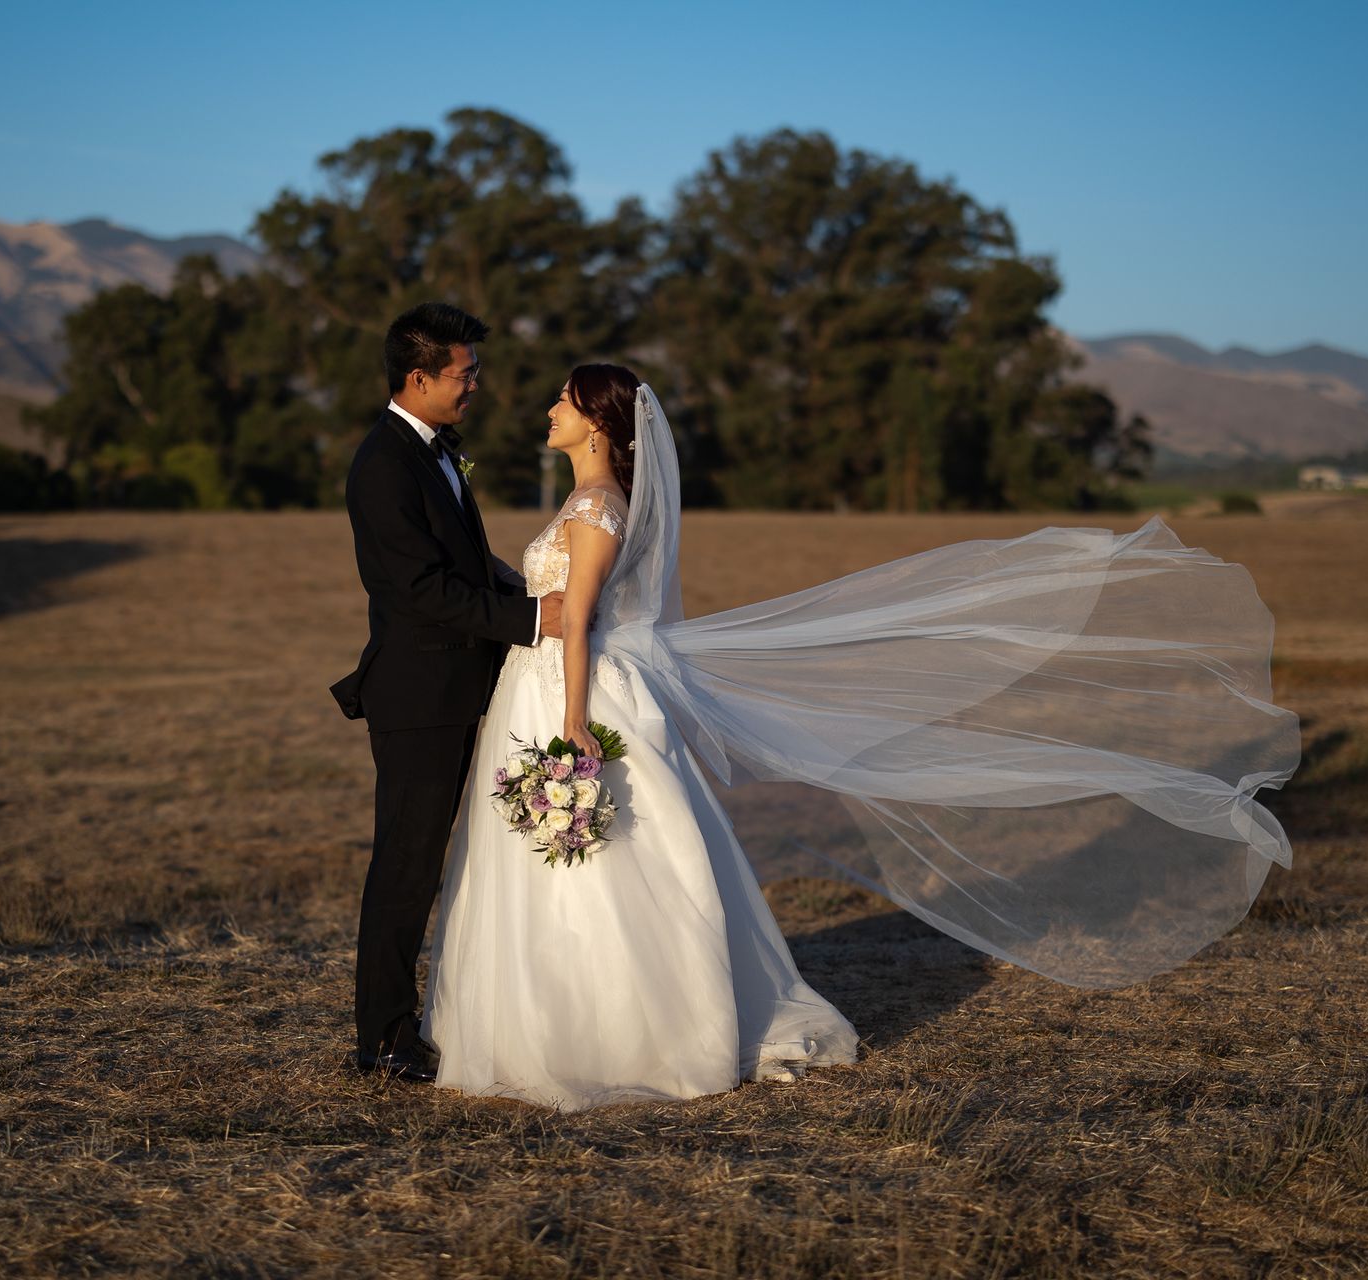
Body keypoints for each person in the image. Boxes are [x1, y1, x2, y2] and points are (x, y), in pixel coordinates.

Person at [420, 365, 1298, 1111]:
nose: (549, 412)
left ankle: (608, 1030)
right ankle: (560, 1015)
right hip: (547, 683)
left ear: (599, 423)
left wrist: (573, 722)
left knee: (606, 853)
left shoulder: (597, 507)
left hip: (568, 689)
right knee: (578, 852)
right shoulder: (589, 500)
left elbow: (576, 623)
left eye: (564, 402)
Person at [331, 303, 562, 1083]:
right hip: (419, 695)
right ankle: (384, 1036)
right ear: (418, 377)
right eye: (464, 375)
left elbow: (464, 567)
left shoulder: (432, 452)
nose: (476, 386)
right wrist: (533, 617)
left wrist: (533, 584)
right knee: (408, 864)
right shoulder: (383, 464)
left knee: (450, 858)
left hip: (463, 685)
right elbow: (423, 590)